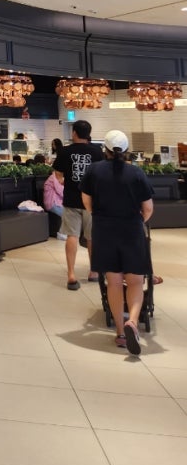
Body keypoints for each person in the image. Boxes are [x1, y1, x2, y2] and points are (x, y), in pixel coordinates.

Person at [81, 129, 154, 355]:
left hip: (104, 231)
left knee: (113, 283)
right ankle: (133, 320)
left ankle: (121, 332)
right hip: (131, 230)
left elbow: (87, 202)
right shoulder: (136, 173)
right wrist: (136, 221)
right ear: (127, 149)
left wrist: (102, 217)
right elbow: (148, 208)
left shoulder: (94, 171)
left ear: (105, 149)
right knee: (135, 282)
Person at [53, 119, 104, 290]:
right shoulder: (97, 151)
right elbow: (102, 175)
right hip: (92, 201)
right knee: (92, 237)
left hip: (71, 199)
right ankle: (94, 271)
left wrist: (65, 181)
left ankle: (71, 275)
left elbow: (58, 175)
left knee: (72, 236)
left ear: (74, 132)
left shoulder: (65, 151)